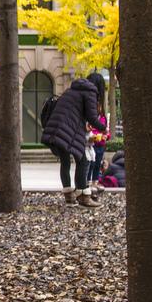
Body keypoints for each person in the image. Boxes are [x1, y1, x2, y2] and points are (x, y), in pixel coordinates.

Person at [41, 72, 107, 207]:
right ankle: (83, 197)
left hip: (57, 128)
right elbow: (92, 117)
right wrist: (103, 128)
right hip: (69, 130)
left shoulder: (71, 90)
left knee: (65, 162)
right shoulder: (90, 92)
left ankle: (69, 197)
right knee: (82, 160)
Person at [87, 102, 110, 192]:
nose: (98, 108)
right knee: (91, 164)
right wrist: (96, 136)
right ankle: (88, 182)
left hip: (101, 145)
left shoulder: (103, 118)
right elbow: (90, 130)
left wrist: (106, 136)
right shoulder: (91, 118)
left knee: (98, 164)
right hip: (93, 144)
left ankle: (95, 182)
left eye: (99, 106)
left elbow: (107, 131)